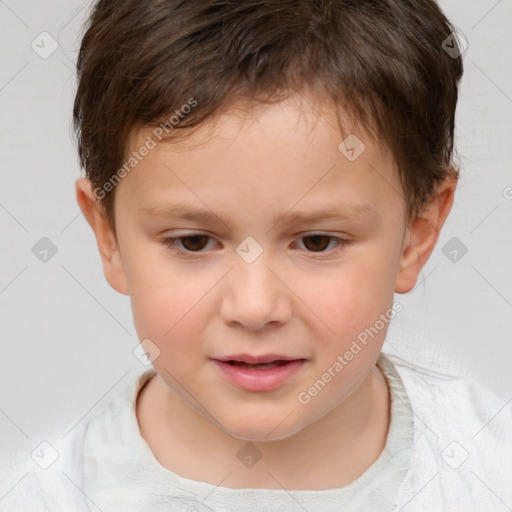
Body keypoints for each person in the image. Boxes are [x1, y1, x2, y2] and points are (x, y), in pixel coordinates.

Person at [1, 1, 510, 511]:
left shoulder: (491, 469)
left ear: (417, 234)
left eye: (316, 242)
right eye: (193, 242)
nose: (254, 307)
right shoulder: (41, 498)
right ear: (108, 237)